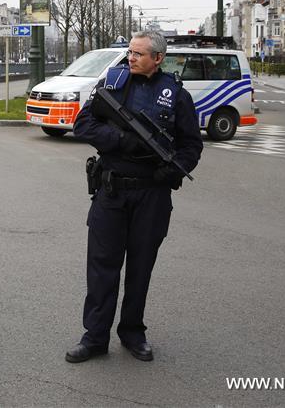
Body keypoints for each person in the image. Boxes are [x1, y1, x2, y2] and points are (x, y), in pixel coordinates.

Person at [66, 30, 203, 364]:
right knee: (101, 268)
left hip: (151, 195)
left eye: (139, 54)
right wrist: (121, 139)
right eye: (130, 52)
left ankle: (132, 333)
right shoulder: (112, 84)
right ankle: (95, 337)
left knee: (140, 268)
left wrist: (172, 171)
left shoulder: (175, 94)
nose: (131, 58)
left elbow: (191, 145)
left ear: (158, 58)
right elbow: (83, 124)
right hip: (111, 191)